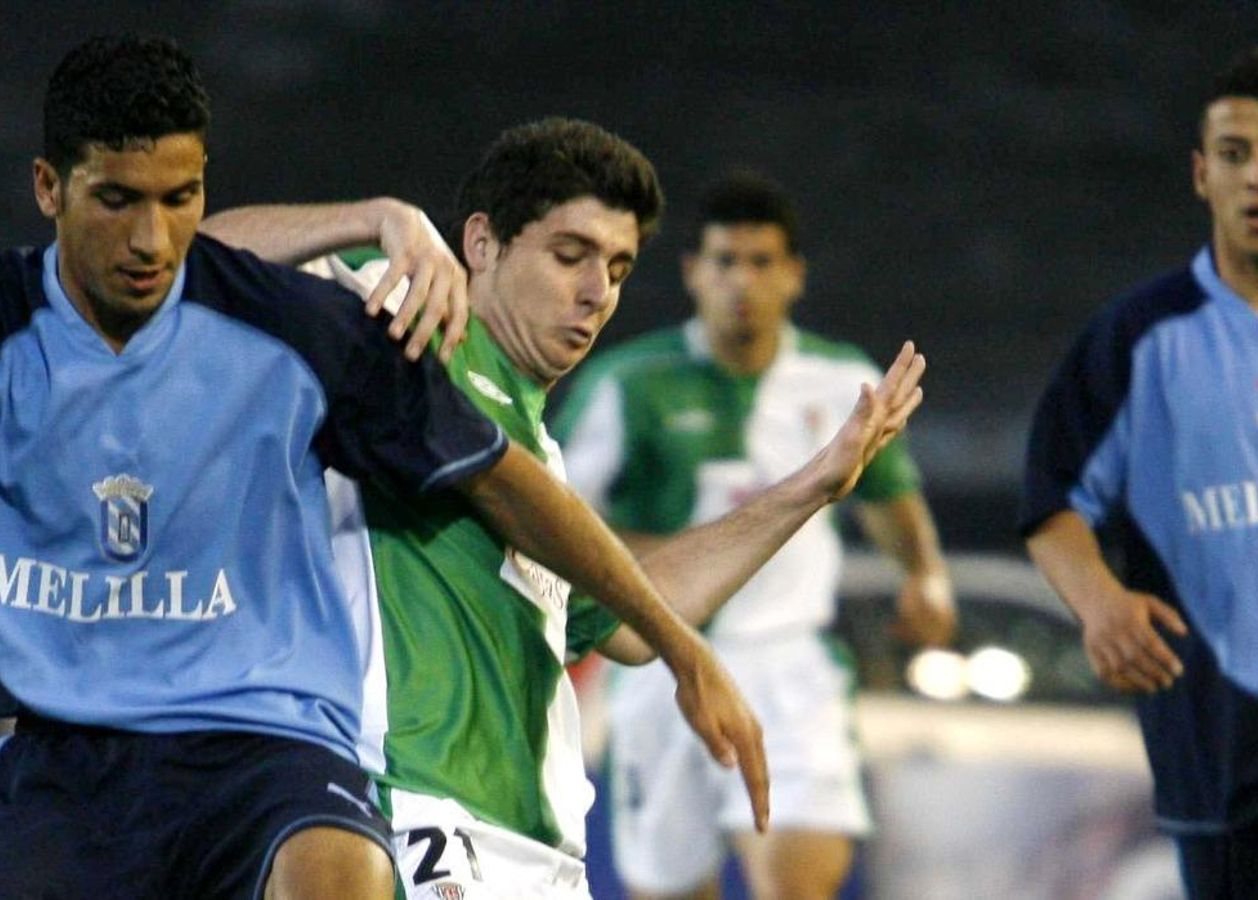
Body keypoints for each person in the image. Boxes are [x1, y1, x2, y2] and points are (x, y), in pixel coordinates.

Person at [0, 40, 773, 900]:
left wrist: (679, 648)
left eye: (183, 196)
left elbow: (506, 485)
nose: (154, 238)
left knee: (338, 869)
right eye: (119, 199)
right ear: (49, 188)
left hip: (268, 754)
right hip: (68, 770)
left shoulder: (297, 334)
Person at [202, 119, 928, 899]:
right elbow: (203, 260)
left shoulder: (543, 465)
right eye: (570, 255)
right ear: (481, 244)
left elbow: (633, 616)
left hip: (539, 855)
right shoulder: (402, 327)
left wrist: (812, 486)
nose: (597, 293)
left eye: (617, 267)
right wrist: (376, 217)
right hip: (412, 818)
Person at [551, 169, 955, 900]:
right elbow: (559, 521)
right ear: (693, 273)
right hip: (655, 667)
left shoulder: (842, 384)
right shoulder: (627, 384)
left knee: (796, 883)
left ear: (793, 275)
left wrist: (925, 574)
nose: (742, 280)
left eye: (761, 262)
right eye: (725, 261)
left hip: (789, 667)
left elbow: (890, 497)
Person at [1021, 46, 1258, 899]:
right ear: (1203, 175)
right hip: (1224, 756)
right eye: (1237, 155)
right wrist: (1100, 605)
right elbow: (1053, 499)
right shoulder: (1138, 339)